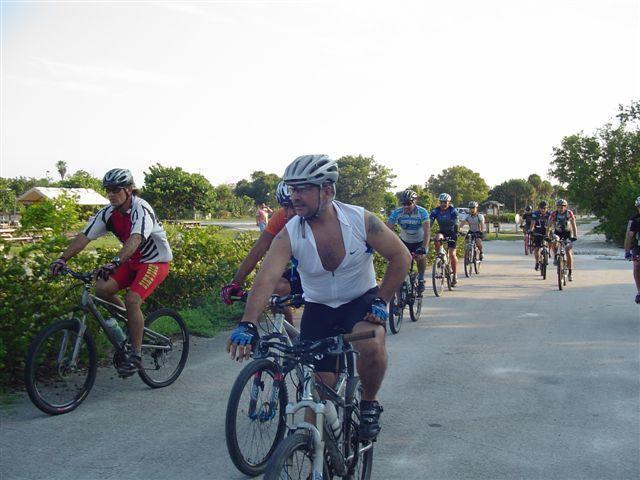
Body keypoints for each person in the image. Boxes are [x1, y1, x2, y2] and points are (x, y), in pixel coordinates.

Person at [226, 154, 410, 441]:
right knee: (319, 389)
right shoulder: (290, 233)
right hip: (319, 309)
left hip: (360, 302)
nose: (294, 197)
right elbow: (267, 278)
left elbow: (401, 256)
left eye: (302, 189)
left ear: (327, 190)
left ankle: (370, 403)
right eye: (291, 189)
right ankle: (310, 450)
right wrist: (247, 323)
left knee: (372, 342)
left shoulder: (359, 219)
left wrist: (381, 301)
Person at [50, 168, 172, 376]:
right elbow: (84, 237)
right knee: (102, 289)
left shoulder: (141, 209)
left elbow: (135, 239)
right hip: (131, 261)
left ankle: (135, 354)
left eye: (116, 189)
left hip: (155, 262)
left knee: (133, 300)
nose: (111, 194)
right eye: (108, 190)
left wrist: (115, 262)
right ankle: (129, 326)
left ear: (130, 189)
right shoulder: (108, 213)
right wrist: (62, 258)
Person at [220, 182, 300, 323]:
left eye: (294, 206)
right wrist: (235, 283)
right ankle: (292, 338)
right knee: (276, 289)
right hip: (302, 270)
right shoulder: (281, 217)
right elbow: (258, 250)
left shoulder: (319, 221)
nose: (289, 213)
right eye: (285, 206)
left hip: (328, 274)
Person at [385, 189, 430, 293]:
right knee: (400, 261)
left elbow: (427, 231)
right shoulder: (397, 212)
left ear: (415, 202)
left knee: (420, 257)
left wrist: (424, 247)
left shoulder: (422, 212)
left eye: (408, 203)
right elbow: (387, 229)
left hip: (419, 241)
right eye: (404, 204)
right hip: (405, 241)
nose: (406, 206)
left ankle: (421, 278)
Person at [430, 193, 460, 286]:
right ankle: (440, 255)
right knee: (436, 238)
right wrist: (427, 233)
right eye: (442, 202)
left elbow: (456, 223)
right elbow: (430, 222)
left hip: (452, 232)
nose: (443, 204)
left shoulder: (452, 210)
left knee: (452, 254)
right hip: (442, 231)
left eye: (445, 202)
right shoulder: (436, 211)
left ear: (449, 202)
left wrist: (456, 232)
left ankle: (454, 275)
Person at [547, 198, 578, 281]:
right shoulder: (554, 214)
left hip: (568, 233)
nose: (560, 209)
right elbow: (549, 225)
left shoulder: (569, 213)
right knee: (554, 242)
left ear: (565, 207)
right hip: (558, 232)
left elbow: (573, 224)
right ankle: (556, 257)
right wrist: (547, 235)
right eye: (558, 207)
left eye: (562, 207)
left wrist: (575, 235)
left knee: (568, 250)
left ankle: (570, 272)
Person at [623, 196, 640, 304]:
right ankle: (639, 291)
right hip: (638, 247)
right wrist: (627, 251)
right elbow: (629, 235)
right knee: (637, 265)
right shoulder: (634, 219)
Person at [529, 201, 550, 271]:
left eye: (545, 208)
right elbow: (533, 223)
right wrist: (531, 230)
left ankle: (548, 252)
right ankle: (537, 262)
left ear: (547, 208)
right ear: (539, 208)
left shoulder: (550, 214)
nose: (543, 210)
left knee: (552, 240)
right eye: (542, 208)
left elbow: (553, 223)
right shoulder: (535, 214)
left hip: (547, 231)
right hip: (538, 231)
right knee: (537, 248)